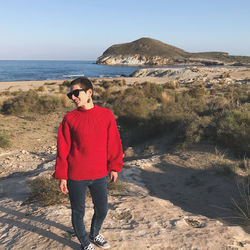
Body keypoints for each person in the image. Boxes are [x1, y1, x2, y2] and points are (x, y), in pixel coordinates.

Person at [53, 77, 123, 250]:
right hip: (76, 175)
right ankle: (85, 243)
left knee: (103, 209)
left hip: (99, 174)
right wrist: (62, 176)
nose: (73, 97)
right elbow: (63, 149)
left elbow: (114, 142)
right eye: (71, 95)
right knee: (78, 212)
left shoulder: (106, 115)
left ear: (89, 92)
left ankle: (94, 233)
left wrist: (115, 166)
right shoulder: (69, 119)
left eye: (76, 93)